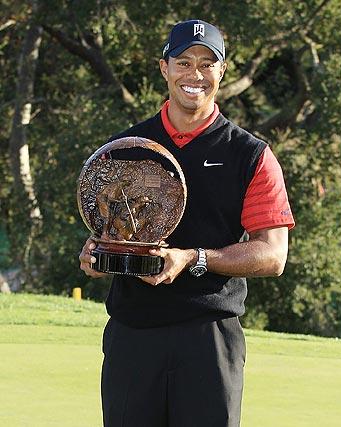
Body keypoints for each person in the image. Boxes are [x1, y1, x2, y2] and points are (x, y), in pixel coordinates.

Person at [79, 19, 295, 427]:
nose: (194, 74)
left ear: (222, 72)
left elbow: (272, 254)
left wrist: (193, 258)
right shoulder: (127, 147)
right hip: (133, 333)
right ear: (164, 68)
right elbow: (109, 229)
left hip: (209, 338)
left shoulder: (250, 154)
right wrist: (96, 252)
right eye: (183, 62)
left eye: (206, 64)